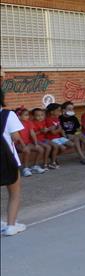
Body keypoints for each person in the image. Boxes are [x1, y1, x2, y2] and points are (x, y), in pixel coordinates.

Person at [1, 91, 26, 236]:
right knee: (14, 193)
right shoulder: (8, 115)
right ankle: (11, 226)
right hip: (8, 160)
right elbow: (16, 137)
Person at [45, 103, 74, 168]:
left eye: (60, 110)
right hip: (52, 138)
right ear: (52, 112)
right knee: (63, 148)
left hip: (59, 137)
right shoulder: (48, 120)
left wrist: (64, 136)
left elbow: (61, 129)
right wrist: (59, 129)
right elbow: (53, 132)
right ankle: (53, 161)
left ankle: (53, 155)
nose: (60, 112)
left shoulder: (57, 118)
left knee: (72, 144)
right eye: (58, 110)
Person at [14, 109, 41, 177]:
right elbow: (18, 137)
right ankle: (25, 169)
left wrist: (36, 144)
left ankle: (35, 166)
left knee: (40, 149)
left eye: (28, 115)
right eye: (26, 115)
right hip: (18, 144)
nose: (28, 117)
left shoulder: (29, 122)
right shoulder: (16, 124)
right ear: (19, 116)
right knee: (27, 151)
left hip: (27, 143)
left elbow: (32, 133)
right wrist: (24, 146)